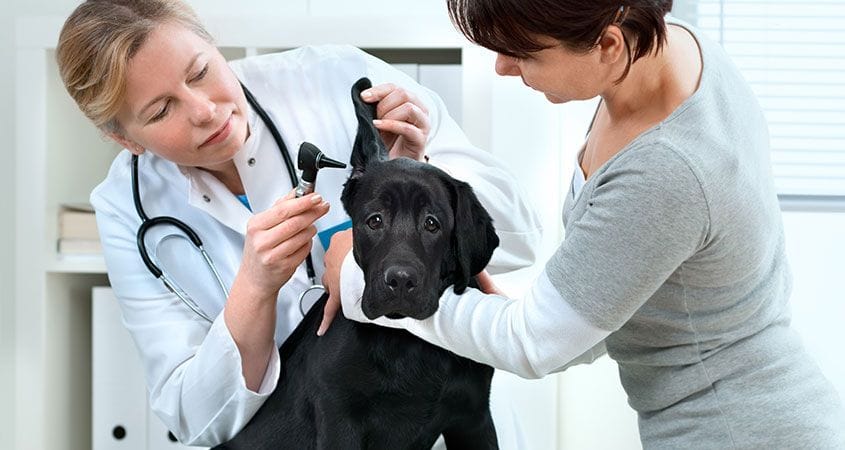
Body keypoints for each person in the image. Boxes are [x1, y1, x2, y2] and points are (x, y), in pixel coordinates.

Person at [328, 0, 845, 447]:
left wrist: (357, 282)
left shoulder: (668, 168)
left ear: (609, 45)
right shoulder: (673, 50)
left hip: (734, 431)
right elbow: (624, 282)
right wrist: (553, 314)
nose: (504, 68)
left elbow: (534, 346)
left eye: (526, 52)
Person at [56, 0, 542, 446]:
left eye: (201, 71)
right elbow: (196, 419)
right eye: (162, 110)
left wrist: (412, 186)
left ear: (212, 45)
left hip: (450, 422)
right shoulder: (126, 207)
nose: (205, 111)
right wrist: (254, 288)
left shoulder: (340, 79)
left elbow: (521, 235)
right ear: (126, 139)